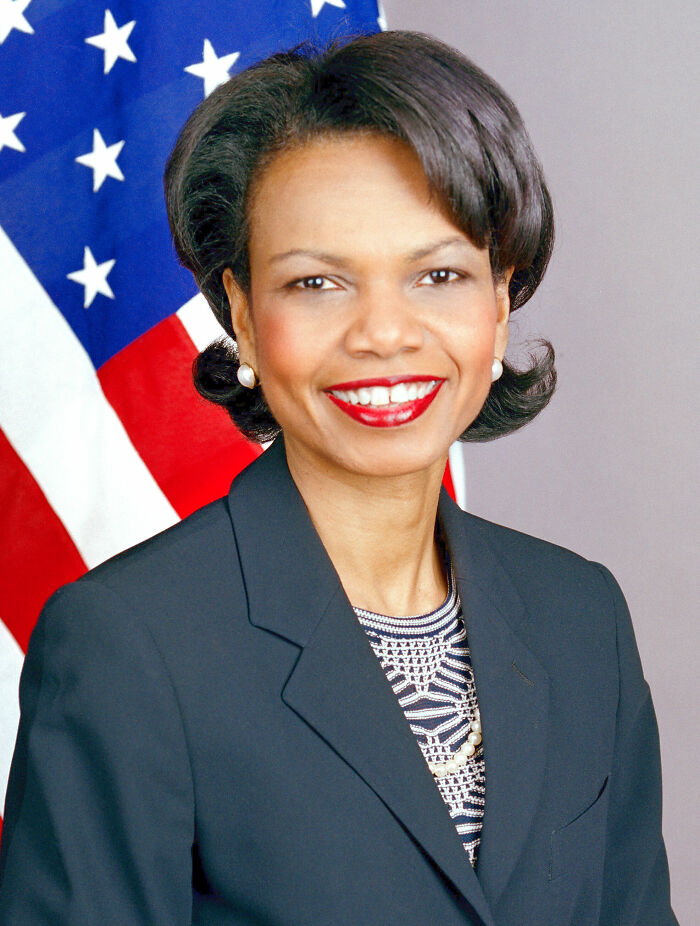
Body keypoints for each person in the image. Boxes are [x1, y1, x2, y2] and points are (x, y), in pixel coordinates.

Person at [0, 29, 677, 926]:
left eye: (439, 273)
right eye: (318, 284)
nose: (384, 334)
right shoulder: (127, 646)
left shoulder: (582, 615)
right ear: (239, 309)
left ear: (502, 301)